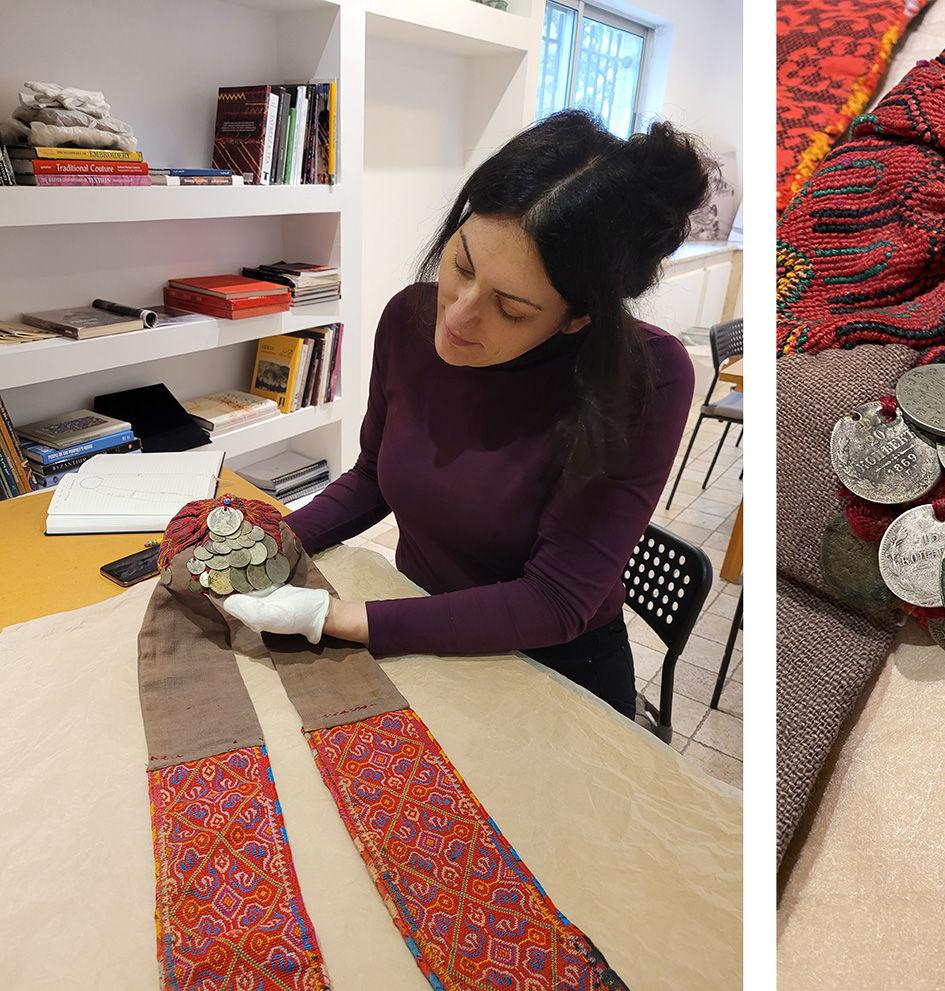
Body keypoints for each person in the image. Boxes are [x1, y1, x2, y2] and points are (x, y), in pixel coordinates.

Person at [222, 110, 706, 720]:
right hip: (419, 624)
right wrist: (270, 541)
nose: (456, 318)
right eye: (463, 266)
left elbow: (556, 599)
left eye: (511, 308)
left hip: (552, 669)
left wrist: (333, 616)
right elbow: (374, 477)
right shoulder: (408, 320)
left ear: (580, 317)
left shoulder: (645, 378)